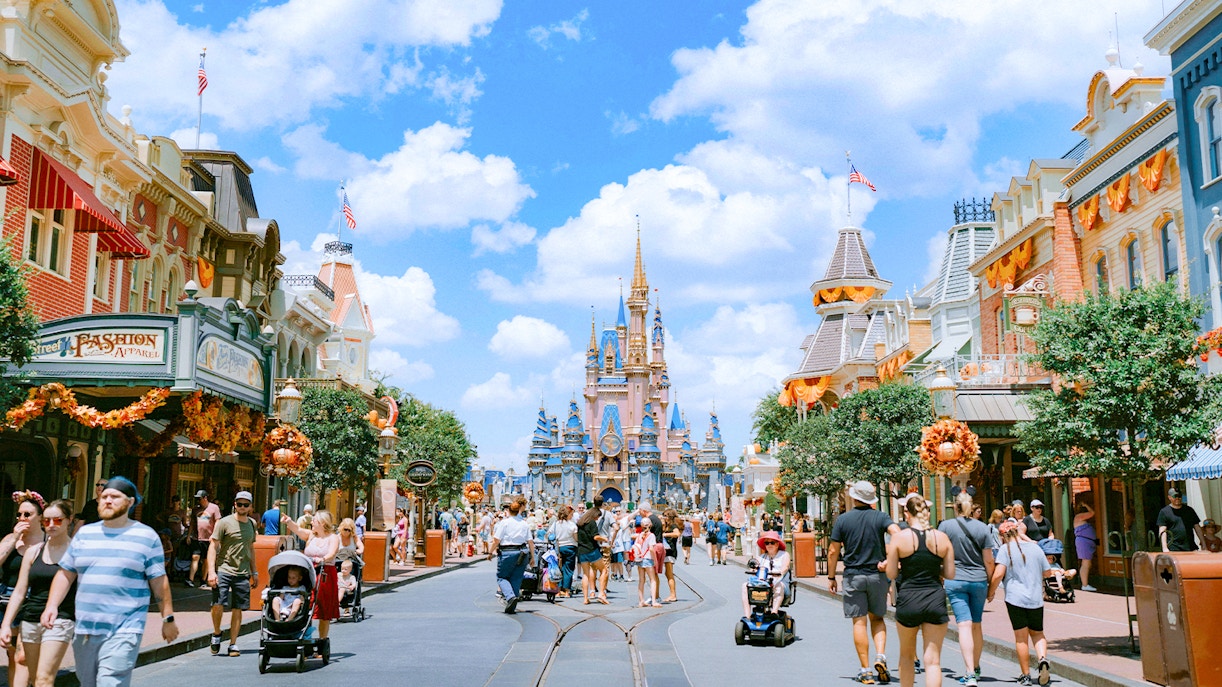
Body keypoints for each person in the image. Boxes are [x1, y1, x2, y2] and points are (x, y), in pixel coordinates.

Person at [42, 477, 179, 687]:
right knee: (88, 683)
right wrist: (51, 605)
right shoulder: (85, 534)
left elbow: (159, 582)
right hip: (86, 629)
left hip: (125, 628)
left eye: (114, 497)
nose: (107, 500)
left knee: (110, 682)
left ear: (130, 502)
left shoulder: (146, 536)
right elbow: (66, 574)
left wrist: (167, 619)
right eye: (104, 496)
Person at [828, 480, 901, 685]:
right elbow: (898, 534)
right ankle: (881, 656)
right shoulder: (881, 517)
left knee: (859, 621)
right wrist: (890, 560)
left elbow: (833, 551)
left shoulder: (843, 520)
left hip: (853, 575)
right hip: (876, 575)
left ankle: (866, 670)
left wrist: (832, 576)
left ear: (853, 497)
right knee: (877, 619)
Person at [1, 499, 74, 687]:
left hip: (61, 618)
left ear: (69, 520)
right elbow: (19, 591)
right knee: (33, 678)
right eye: (47, 521)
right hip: (30, 619)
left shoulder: (76, 552)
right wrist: (6, 624)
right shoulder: (34, 552)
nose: (51, 525)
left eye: (57, 520)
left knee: (43, 680)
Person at [887, 495, 955, 687]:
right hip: (934, 597)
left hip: (909, 598)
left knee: (907, 656)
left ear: (907, 514)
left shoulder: (899, 538)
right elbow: (950, 573)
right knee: (933, 661)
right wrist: (933, 568)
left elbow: (892, 573)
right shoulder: (941, 538)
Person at [937, 492, 993, 686]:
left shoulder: (945, 526)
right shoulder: (983, 528)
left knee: (964, 625)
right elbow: (989, 560)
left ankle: (969, 672)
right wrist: (991, 585)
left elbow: (939, 553)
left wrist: (942, 574)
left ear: (955, 507)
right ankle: (976, 668)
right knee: (976, 625)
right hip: (979, 580)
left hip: (955, 579)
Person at [987, 520, 1053, 686]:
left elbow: (998, 575)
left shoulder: (1005, 549)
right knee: (1038, 633)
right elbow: (1047, 572)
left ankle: (1025, 675)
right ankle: (1043, 659)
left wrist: (991, 592)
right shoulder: (1036, 548)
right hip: (1035, 599)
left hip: (1015, 599)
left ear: (1003, 536)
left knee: (1021, 638)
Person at [2, 491, 46, 687]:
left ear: (40, 517)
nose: (22, 518)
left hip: (35, 601)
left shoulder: (47, 542)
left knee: (24, 656)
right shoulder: (10, 539)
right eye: (19, 514)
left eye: (27, 515)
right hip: (8, 600)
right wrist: (14, 540)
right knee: (13, 656)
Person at [281, 509, 340, 653]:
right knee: (306, 605)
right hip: (308, 572)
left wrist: (323, 559)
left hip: (324, 573)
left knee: (323, 608)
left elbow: (332, 553)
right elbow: (297, 529)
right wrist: (289, 521)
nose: (311, 522)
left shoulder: (333, 538)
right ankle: (305, 639)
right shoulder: (311, 536)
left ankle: (322, 641)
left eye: (314, 520)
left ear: (322, 523)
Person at [207, 490, 257, 657]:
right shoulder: (224, 523)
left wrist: (254, 571)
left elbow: (251, 548)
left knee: (238, 608)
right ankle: (216, 633)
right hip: (224, 569)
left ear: (250, 507)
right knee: (218, 604)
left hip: (242, 572)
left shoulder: (252, 524)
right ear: (235, 504)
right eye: (239, 504)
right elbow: (213, 546)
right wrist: (211, 572)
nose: (242, 507)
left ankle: (233, 644)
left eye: (246, 505)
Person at [489, 497, 532, 613]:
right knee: (516, 577)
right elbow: (530, 542)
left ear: (508, 511)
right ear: (519, 510)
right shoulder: (524, 524)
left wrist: (490, 552)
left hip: (507, 552)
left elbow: (496, 540)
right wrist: (532, 557)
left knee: (502, 577)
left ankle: (510, 597)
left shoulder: (504, 523)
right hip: (522, 552)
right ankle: (512, 599)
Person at [741, 530, 790, 617]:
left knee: (779, 586)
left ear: (777, 544)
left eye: (772, 542)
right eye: (767, 543)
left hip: (779, 581)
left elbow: (785, 567)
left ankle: (774, 612)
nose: (769, 545)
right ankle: (747, 616)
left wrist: (779, 573)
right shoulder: (761, 557)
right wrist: (752, 569)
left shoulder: (784, 554)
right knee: (745, 585)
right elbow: (754, 568)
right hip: (763, 582)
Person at [576, 497, 608, 605]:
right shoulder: (592, 523)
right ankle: (601, 594)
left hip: (581, 551)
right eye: (597, 518)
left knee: (585, 574)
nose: (597, 520)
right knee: (604, 570)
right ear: (594, 515)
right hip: (591, 550)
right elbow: (595, 537)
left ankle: (585, 598)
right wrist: (604, 538)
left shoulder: (580, 522)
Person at [188, 490, 221, 588]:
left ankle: (203, 579)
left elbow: (218, 521)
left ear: (205, 498)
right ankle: (191, 579)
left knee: (206, 559)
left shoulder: (214, 508)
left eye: (200, 499)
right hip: (197, 537)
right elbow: (192, 523)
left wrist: (214, 535)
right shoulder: (195, 509)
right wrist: (189, 535)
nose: (198, 501)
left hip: (208, 539)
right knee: (195, 557)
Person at [1158, 487, 1204, 552]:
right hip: (1173, 548)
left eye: (1179, 496)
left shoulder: (1189, 510)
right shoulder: (1164, 512)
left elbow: (1197, 528)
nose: (1177, 498)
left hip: (1190, 547)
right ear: (1169, 497)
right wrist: (1165, 548)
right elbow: (1162, 531)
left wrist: (1203, 543)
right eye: (1175, 496)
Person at [549, 505, 578, 598]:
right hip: (570, 547)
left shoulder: (555, 524)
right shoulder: (571, 524)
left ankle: (558, 590)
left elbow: (549, 534)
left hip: (559, 547)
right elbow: (575, 537)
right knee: (568, 569)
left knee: (559, 569)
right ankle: (567, 591)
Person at [631, 518, 660, 607]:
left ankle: (641, 601)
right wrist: (655, 560)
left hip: (639, 559)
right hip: (648, 559)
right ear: (650, 525)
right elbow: (651, 549)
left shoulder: (639, 535)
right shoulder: (651, 535)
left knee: (641, 580)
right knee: (652, 580)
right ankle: (654, 601)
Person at [1072, 502, 1098, 591]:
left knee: (1087, 563)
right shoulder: (1079, 516)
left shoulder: (1081, 518)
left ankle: (1085, 583)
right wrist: (1087, 505)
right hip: (1083, 542)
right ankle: (1085, 584)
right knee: (1085, 563)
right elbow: (1092, 513)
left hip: (1087, 542)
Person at [660, 509, 681, 602]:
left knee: (669, 573)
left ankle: (673, 595)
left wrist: (665, 535)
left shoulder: (673, 526)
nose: (664, 517)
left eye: (665, 515)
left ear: (669, 517)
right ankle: (672, 594)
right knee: (667, 573)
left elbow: (677, 534)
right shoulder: (666, 526)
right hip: (666, 552)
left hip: (671, 552)